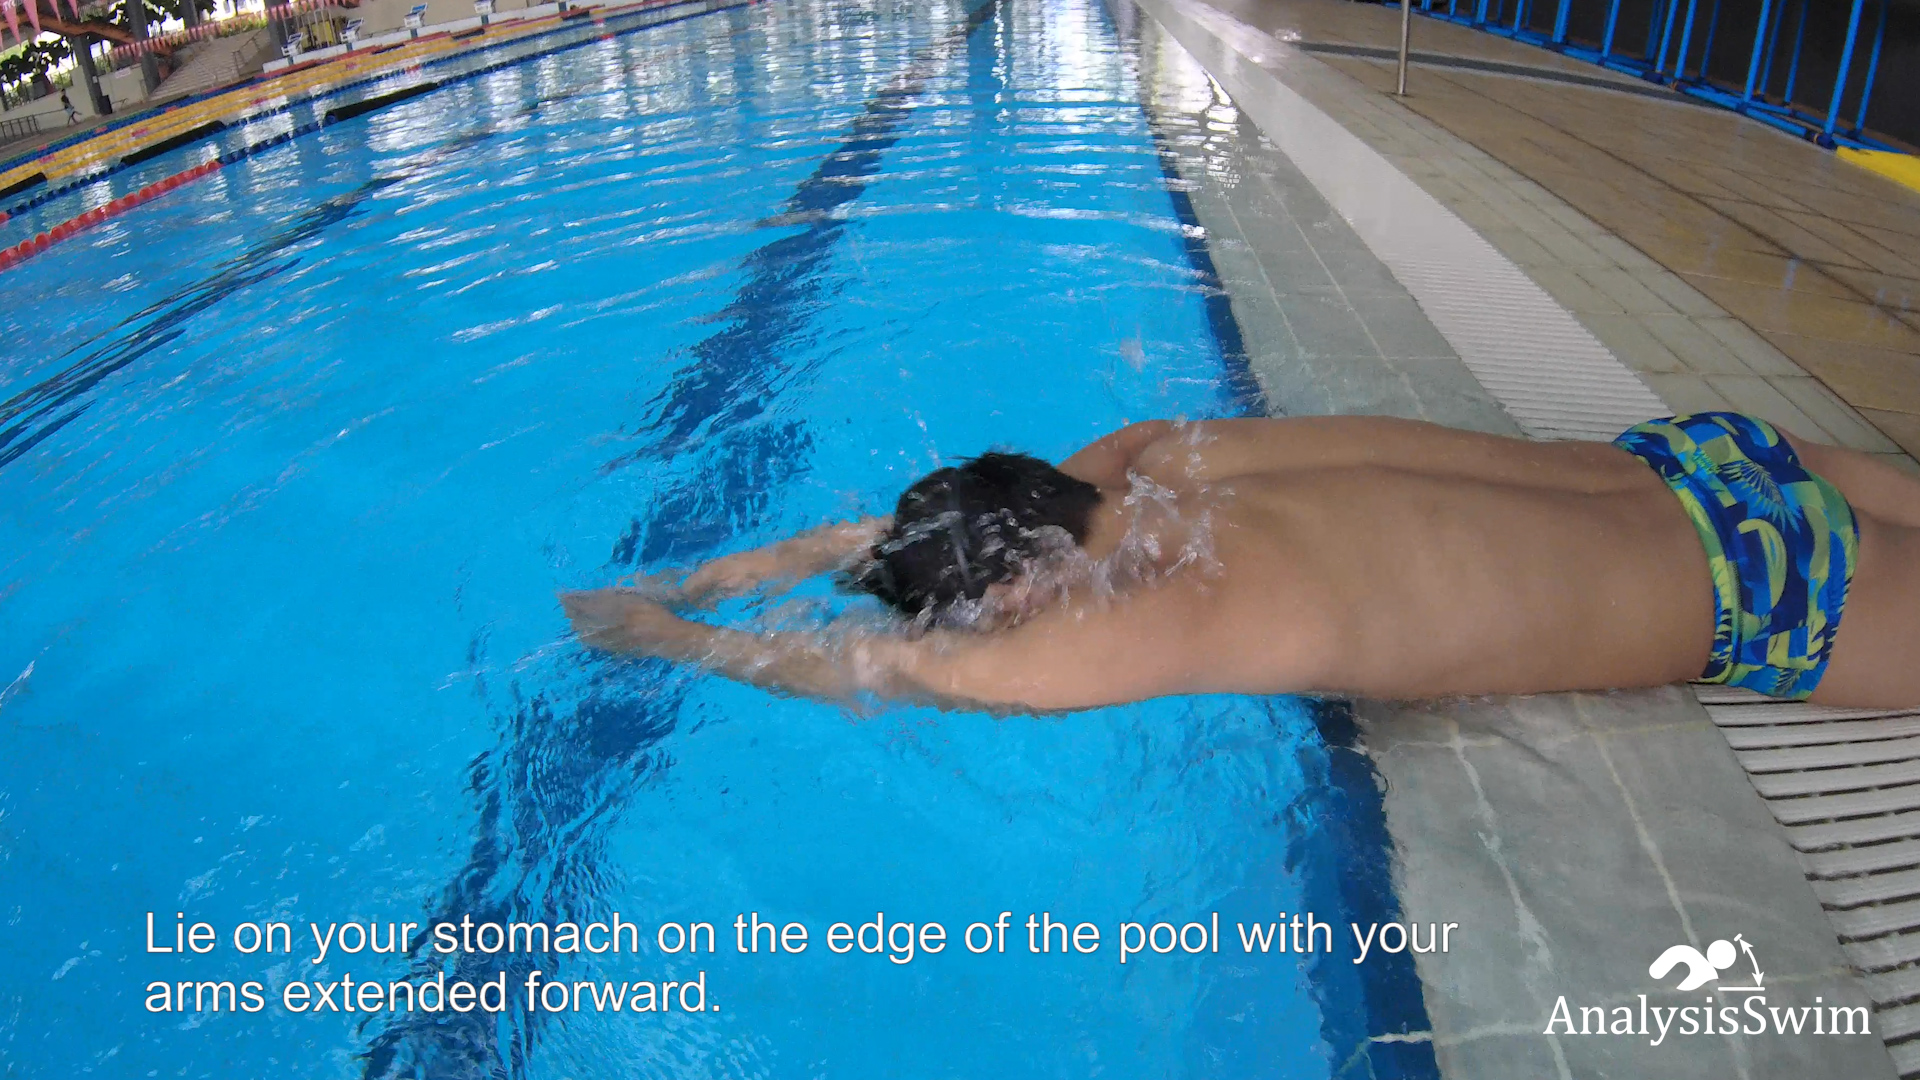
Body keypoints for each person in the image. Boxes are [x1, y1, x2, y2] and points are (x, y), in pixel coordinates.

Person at [559, 413, 1920, 711]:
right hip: (1703, 456)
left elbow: (876, 662)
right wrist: (740, 562)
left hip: (1769, 590)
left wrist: (678, 633)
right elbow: (938, 527)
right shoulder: (1158, 463)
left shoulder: (1126, 627)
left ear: (1022, 590)